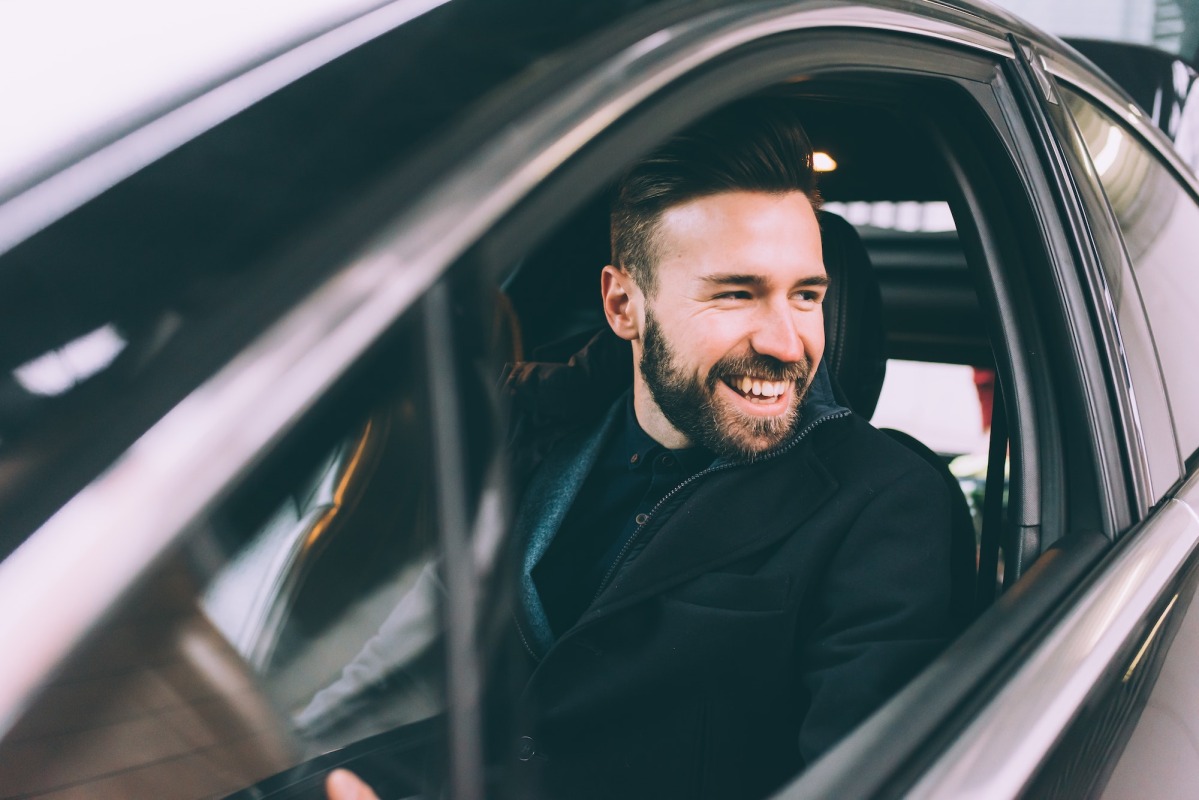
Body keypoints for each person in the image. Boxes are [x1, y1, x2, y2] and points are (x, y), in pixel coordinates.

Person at [328, 99, 952, 800]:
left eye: (805, 296)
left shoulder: (884, 505)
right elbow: (394, 675)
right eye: (736, 294)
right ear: (623, 306)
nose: (786, 342)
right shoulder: (529, 441)